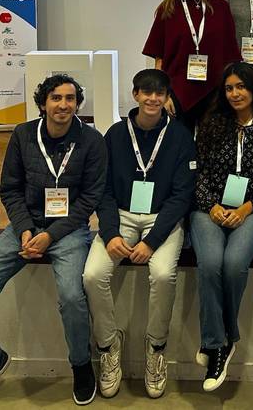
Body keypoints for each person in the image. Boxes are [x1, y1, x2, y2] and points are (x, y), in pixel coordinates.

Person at [0, 74, 106, 407]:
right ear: (43, 103)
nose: (63, 105)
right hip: (24, 229)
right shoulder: (23, 135)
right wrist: (26, 229)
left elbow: (91, 197)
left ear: (77, 105)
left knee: (71, 296)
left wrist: (49, 236)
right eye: (56, 98)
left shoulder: (92, 141)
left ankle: (81, 365)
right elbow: (9, 188)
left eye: (70, 99)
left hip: (68, 231)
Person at [82, 69, 195, 400]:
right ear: (134, 94)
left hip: (162, 220)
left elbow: (181, 196)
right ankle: (108, 346)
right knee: (92, 275)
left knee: (161, 274)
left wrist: (151, 242)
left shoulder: (180, 136)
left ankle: (156, 348)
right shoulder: (115, 135)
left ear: (166, 97)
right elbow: (101, 190)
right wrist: (111, 232)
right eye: (146, 92)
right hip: (121, 218)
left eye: (159, 93)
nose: (152, 98)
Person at [189, 62, 253, 391]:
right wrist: (213, 206)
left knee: (232, 265)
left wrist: (245, 209)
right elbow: (198, 174)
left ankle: (218, 339)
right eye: (229, 88)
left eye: (241, 87)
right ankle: (219, 343)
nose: (235, 93)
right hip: (208, 210)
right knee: (210, 263)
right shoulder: (212, 123)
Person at [143, 0, 242, 134]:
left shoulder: (220, 8)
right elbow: (159, 59)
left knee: (212, 149)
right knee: (179, 149)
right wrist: (163, 94)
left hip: (214, 92)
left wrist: (228, 92)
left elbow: (230, 57)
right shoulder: (168, 9)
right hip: (177, 93)